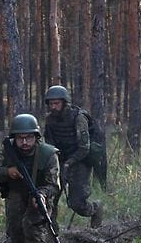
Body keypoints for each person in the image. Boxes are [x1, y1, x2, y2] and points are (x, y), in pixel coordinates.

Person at [0, 114, 61, 243]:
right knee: (16, 233)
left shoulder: (48, 154)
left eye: (28, 137)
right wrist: (8, 172)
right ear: (14, 138)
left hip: (39, 196)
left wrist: (42, 195)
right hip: (15, 195)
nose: (24, 142)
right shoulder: (7, 151)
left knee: (33, 228)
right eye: (20, 138)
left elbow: (54, 185)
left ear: (36, 137)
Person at [42, 86, 105, 228]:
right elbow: (49, 144)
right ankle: (52, 231)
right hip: (59, 160)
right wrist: (55, 162)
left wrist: (69, 163)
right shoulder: (50, 120)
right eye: (51, 104)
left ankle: (95, 209)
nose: (53, 107)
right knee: (50, 197)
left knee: (77, 204)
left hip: (80, 161)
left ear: (65, 103)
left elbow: (84, 148)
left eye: (57, 103)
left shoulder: (79, 118)